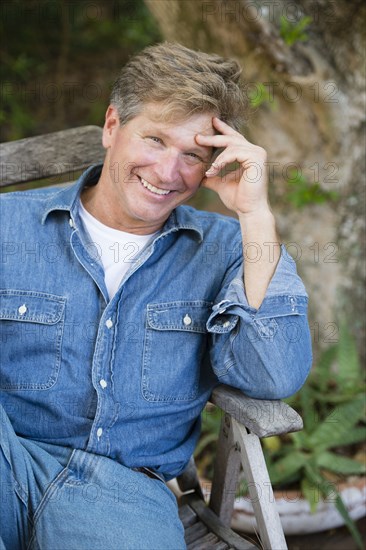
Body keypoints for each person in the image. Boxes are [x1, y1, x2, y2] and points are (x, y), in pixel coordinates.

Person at [0, 42, 312, 549]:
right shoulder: (6, 226)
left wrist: (256, 216)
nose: (168, 172)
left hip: (122, 497)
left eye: (193, 154)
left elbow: (274, 374)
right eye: (155, 139)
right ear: (111, 126)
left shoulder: (233, 249)